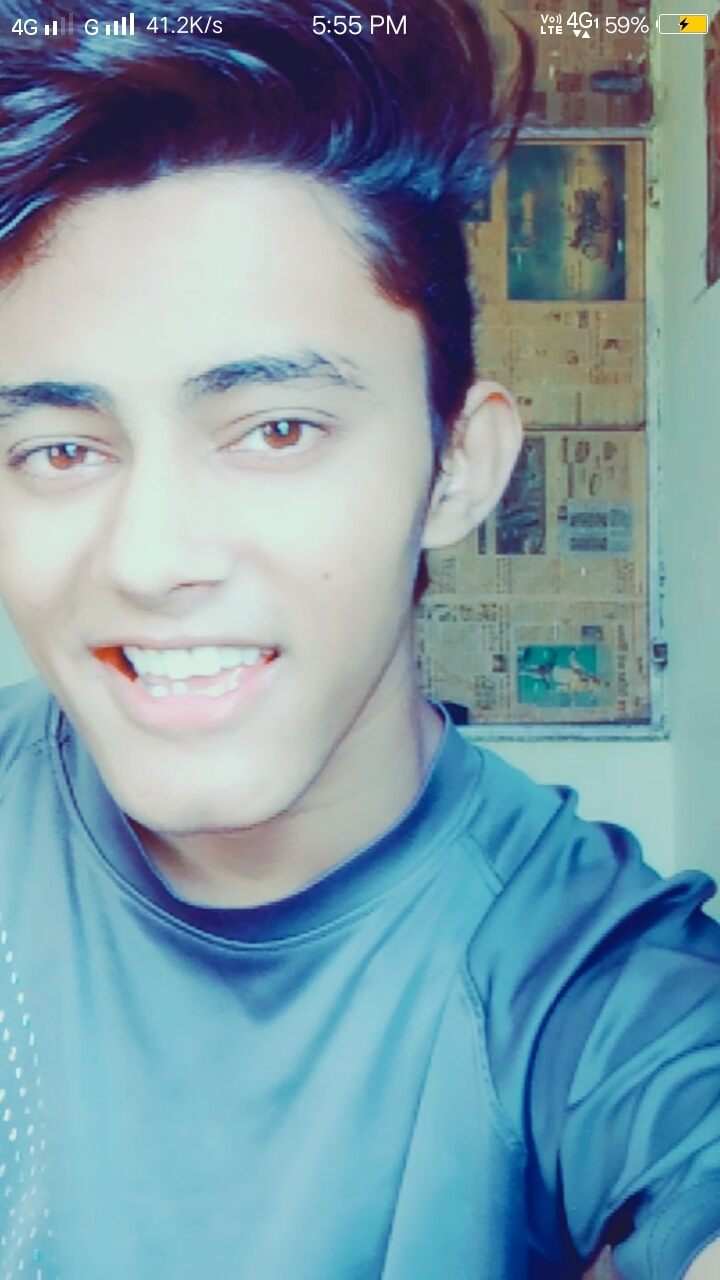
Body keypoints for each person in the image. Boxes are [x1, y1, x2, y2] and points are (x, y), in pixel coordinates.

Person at [0, 2, 716, 1276]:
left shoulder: (588, 977)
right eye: (61, 449)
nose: (150, 557)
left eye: (277, 429)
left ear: (458, 467)